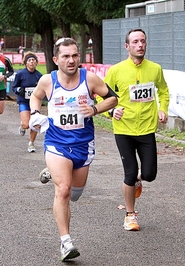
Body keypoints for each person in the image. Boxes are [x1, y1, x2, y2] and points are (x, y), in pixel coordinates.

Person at [29, 37, 118, 261]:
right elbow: (35, 96)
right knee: (64, 190)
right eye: (66, 56)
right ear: (55, 59)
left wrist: (95, 109)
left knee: (75, 195)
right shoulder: (48, 81)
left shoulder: (89, 79)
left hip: (83, 145)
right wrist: (34, 113)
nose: (71, 60)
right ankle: (66, 243)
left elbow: (113, 99)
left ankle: (54, 173)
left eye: (75, 55)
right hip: (56, 143)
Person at [103, 28, 169, 231]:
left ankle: (138, 182)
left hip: (147, 128)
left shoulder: (155, 69)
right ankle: (130, 215)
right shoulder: (116, 70)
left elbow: (164, 91)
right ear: (127, 46)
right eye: (135, 42)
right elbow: (100, 96)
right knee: (129, 173)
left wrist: (162, 109)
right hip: (124, 129)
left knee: (149, 174)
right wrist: (111, 112)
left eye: (143, 41)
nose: (140, 45)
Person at [12, 51, 42, 152]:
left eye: (33, 60)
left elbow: (43, 89)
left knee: (35, 123)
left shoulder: (39, 76)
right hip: (23, 101)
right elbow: (14, 87)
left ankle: (31, 143)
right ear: (26, 63)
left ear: (36, 62)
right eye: (29, 60)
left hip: (35, 103)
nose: (32, 62)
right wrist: (18, 90)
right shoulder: (20, 74)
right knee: (26, 124)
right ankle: (22, 125)